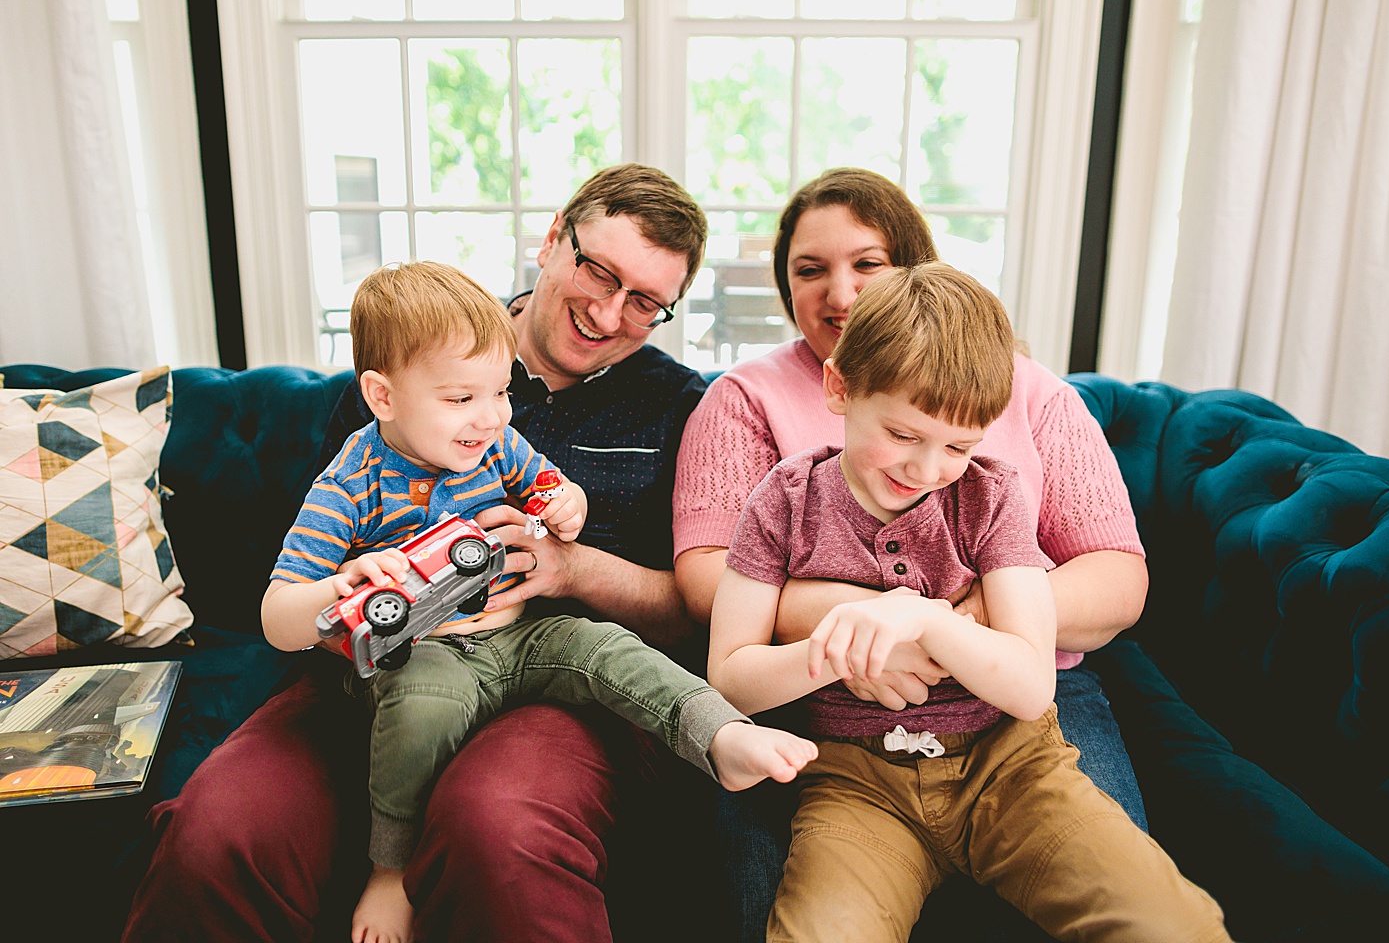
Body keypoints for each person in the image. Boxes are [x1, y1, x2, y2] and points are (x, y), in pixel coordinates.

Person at [123, 164, 737, 943]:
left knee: (497, 830)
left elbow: (693, 614)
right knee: (220, 829)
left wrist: (574, 567)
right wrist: (354, 588)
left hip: (552, 679)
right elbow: (309, 573)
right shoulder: (420, 347)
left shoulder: (683, 406)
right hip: (378, 663)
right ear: (554, 240)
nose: (610, 311)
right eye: (599, 271)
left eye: (646, 301)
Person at [261, 261, 816, 943]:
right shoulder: (350, 484)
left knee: (610, 650)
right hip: (428, 654)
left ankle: (722, 736)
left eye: (500, 391)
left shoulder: (495, 444)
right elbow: (278, 616)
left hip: (520, 633)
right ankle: (389, 870)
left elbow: (551, 485)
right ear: (382, 396)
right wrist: (338, 586)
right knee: (421, 711)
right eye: (461, 398)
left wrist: (565, 504)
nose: (491, 415)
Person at [672, 167, 1151, 940]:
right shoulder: (744, 398)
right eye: (809, 269)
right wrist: (870, 627)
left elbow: (1116, 579)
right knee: (768, 901)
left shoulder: (1023, 391)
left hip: (1018, 689)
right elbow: (707, 581)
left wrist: (955, 624)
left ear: (914, 268)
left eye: (867, 263)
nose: (840, 292)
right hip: (823, 703)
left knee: (1117, 892)